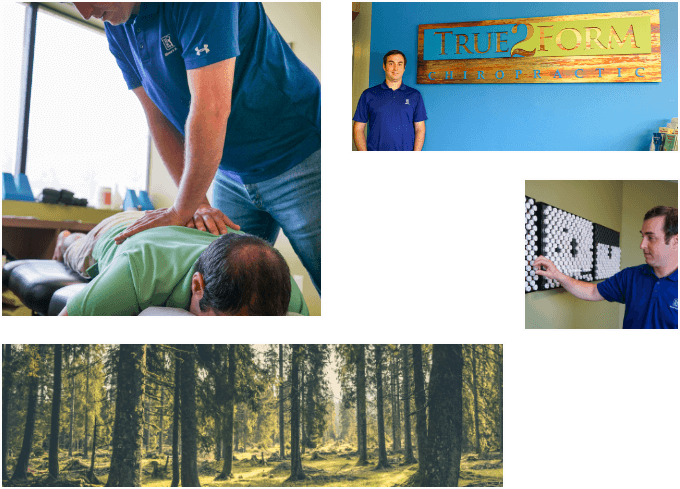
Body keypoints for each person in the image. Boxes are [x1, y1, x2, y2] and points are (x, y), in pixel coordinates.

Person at [71, 3, 321, 296]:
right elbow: (158, 118)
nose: (84, 11)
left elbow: (211, 108)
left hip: (301, 154)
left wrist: (181, 208)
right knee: (222, 290)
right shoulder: (116, 23)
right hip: (230, 173)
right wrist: (197, 204)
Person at [53, 211, 308, 316]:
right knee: (75, 250)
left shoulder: (286, 295)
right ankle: (66, 238)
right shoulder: (139, 271)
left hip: (181, 227)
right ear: (198, 286)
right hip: (123, 229)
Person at [534, 206, 678, 329]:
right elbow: (592, 292)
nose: (642, 245)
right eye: (642, 236)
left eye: (651, 237)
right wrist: (558, 275)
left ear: (675, 240)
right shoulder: (631, 276)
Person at [353, 50, 428, 151]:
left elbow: (420, 129)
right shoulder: (368, 94)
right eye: (391, 63)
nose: (395, 68)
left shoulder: (415, 95)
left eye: (399, 64)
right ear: (384, 66)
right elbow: (358, 129)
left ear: (404, 68)